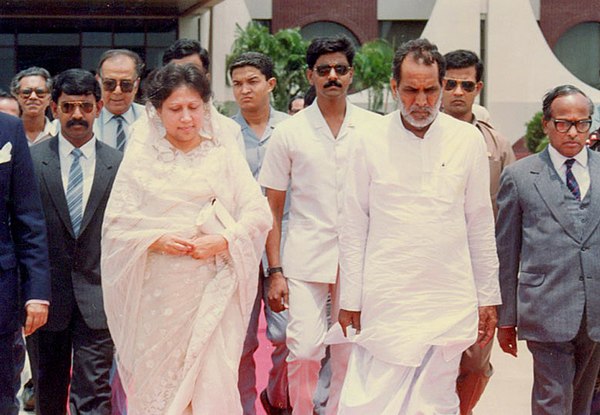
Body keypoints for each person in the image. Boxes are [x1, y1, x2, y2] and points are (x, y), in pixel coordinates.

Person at [336, 38, 500, 414]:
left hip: (447, 295)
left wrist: (487, 295)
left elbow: (478, 220)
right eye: (411, 90)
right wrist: (350, 299)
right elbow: (353, 223)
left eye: (430, 90)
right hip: (387, 298)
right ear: (395, 88)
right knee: (371, 400)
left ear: (442, 86)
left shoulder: (467, 140)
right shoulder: (367, 139)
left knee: (435, 401)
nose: (421, 101)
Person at [101, 63, 272, 414]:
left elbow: (258, 213)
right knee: (161, 393)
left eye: (194, 108)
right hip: (158, 295)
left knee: (209, 386)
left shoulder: (221, 154)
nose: (186, 118)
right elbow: (116, 226)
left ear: (205, 107)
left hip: (212, 288)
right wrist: (155, 238)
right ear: (157, 112)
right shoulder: (142, 159)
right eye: (175, 109)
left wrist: (224, 239)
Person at [259, 36, 380, 415]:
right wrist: (274, 270)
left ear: (351, 75)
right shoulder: (289, 132)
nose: (332, 77)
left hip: (358, 258)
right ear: (310, 75)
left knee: (348, 352)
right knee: (305, 348)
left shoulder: (375, 128)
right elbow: (272, 208)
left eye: (340, 70)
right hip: (304, 257)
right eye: (324, 70)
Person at [496, 84, 600, 415]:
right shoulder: (520, 177)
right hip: (546, 309)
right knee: (553, 401)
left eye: (582, 123)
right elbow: (507, 253)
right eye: (563, 123)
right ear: (545, 124)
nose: (573, 132)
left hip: (596, 309)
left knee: (581, 401)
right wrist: (506, 318)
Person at [30, 68, 122, 415]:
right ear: (54, 108)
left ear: (99, 107)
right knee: (48, 396)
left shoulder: (118, 164)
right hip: (45, 302)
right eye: (68, 107)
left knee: (94, 396)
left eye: (85, 106)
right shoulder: (34, 161)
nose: (77, 116)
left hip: (98, 300)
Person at [442, 49, 516, 415]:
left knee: (473, 360)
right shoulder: (418, 134)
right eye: (450, 83)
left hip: (481, 272)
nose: (457, 91)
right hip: (431, 266)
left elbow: (511, 214)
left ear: (478, 88)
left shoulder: (496, 145)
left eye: (466, 85)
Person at [229, 52, 291, 415]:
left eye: (252, 81)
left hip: (283, 245)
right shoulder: (224, 133)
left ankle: (276, 395)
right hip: (239, 248)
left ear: (271, 83)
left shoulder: (290, 129)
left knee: (287, 335)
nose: (244, 90)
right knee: (242, 341)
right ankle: (245, 407)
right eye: (237, 83)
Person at [0, 111, 50, 415]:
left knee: (3, 399)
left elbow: (28, 218)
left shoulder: (8, 128)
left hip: (1, 294)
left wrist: (37, 293)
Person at [162, 38, 245, 154]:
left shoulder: (229, 130)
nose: (184, 80)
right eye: (177, 73)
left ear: (207, 78)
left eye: (192, 72)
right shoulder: (145, 131)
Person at [94, 49, 145, 151]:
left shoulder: (151, 119)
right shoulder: (85, 118)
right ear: (98, 82)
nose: (117, 91)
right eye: (109, 83)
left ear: (136, 85)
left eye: (126, 84)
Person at [10, 66, 58, 145]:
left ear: (50, 97)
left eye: (40, 92)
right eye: (26, 92)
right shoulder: (6, 132)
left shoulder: (60, 132)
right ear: (16, 96)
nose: (33, 97)